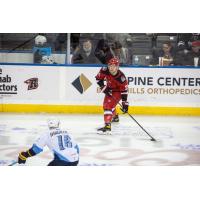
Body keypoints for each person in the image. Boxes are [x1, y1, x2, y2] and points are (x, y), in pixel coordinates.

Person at [95, 57, 129, 134]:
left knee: (107, 106)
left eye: (114, 66)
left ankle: (107, 126)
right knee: (111, 105)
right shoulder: (104, 70)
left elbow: (124, 91)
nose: (111, 68)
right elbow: (98, 79)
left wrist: (124, 104)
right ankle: (115, 117)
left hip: (118, 92)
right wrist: (103, 87)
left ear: (117, 67)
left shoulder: (121, 78)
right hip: (109, 89)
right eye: (110, 66)